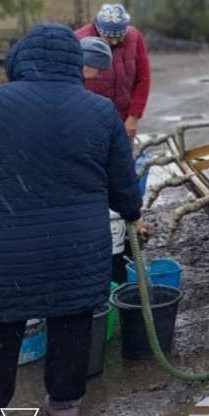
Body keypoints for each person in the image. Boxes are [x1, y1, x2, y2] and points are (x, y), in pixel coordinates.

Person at [0, 24, 142, 416]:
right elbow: (124, 182)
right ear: (74, 62)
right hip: (78, 246)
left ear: (19, 61)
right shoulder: (99, 110)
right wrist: (131, 213)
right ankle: (64, 405)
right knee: (72, 318)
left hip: (3, 248)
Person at [81, 36, 137, 284]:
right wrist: (132, 212)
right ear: (86, 64)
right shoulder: (98, 109)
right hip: (81, 214)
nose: (99, 75)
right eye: (98, 69)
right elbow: (120, 172)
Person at [75, 3, 150, 139]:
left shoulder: (134, 37)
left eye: (120, 36)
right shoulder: (79, 40)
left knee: (123, 158)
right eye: (109, 38)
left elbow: (143, 79)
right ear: (98, 30)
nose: (115, 42)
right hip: (88, 120)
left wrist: (134, 116)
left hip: (123, 120)